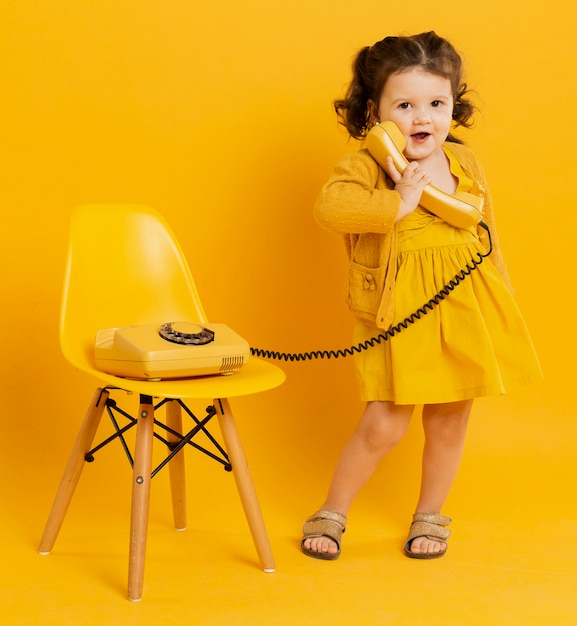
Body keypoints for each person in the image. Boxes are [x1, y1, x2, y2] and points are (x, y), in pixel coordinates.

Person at [301, 31, 543, 561]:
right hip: (398, 311)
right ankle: (334, 510)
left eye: (437, 104)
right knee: (384, 422)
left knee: (450, 418)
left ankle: (430, 515)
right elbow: (330, 210)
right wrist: (400, 202)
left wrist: (502, 295)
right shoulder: (370, 166)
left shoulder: (464, 162)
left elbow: (486, 233)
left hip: (462, 303)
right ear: (375, 110)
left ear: (454, 106)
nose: (422, 119)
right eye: (405, 105)